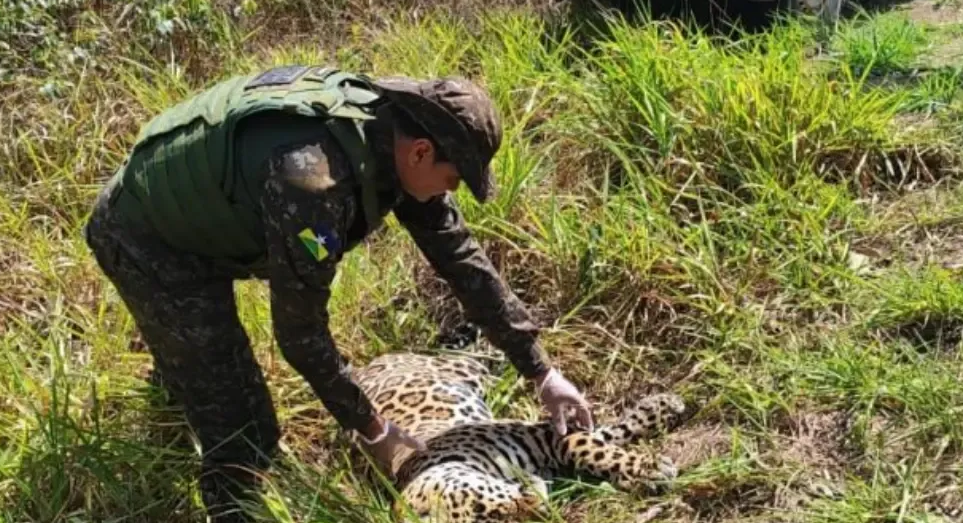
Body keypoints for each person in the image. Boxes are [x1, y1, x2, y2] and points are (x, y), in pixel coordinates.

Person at [83, 64, 594, 522]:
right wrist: (372, 429)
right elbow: (300, 335)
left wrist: (541, 370)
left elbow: (462, 262)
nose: (452, 192)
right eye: (453, 178)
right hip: (149, 243)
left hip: (203, 218)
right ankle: (229, 502)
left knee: (199, 365)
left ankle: (181, 383)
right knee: (245, 426)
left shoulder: (391, 139)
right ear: (420, 151)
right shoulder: (313, 187)